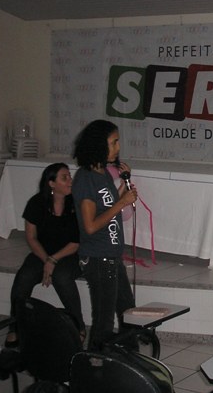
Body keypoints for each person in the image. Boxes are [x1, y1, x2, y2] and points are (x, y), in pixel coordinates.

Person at [72, 119, 138, 351]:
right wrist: (122, 203)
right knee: (104, 322)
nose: (118, 148)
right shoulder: (85, 178)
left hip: (111, 255)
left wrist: (123, 188)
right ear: (98, 145)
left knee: (128, 312)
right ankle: (95, 365)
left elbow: (107, 205)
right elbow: (90, 226)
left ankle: (131, 359)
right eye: (113, 142)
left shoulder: (103, 174)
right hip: (98, 259)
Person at [6, 163, 85, 347]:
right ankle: (15, 326)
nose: (70, 180)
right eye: (64, 177)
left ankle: (78, 326)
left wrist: (53, 260)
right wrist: (47, 260)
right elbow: (31, 238)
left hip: (70, 254)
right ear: (51, 183)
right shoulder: (36, 203)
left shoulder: (76, 204)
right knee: (24, 276)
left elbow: (76, 243)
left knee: (61, 276)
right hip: (42, 252)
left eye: (70, 176)